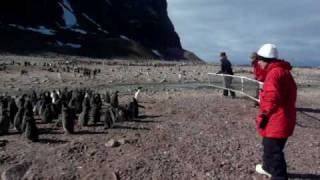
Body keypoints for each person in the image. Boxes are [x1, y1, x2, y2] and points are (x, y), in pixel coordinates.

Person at [254, 44, 297, 180]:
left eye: (259, 60)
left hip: (277, 119)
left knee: (274, 151)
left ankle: (279, 176)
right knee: (269, 146)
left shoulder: (273, 74)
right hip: (285, 117)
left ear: (266, 60)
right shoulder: (283, 71)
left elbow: (271, 97)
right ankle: (267, 168)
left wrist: (264, 115)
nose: (258, 63)